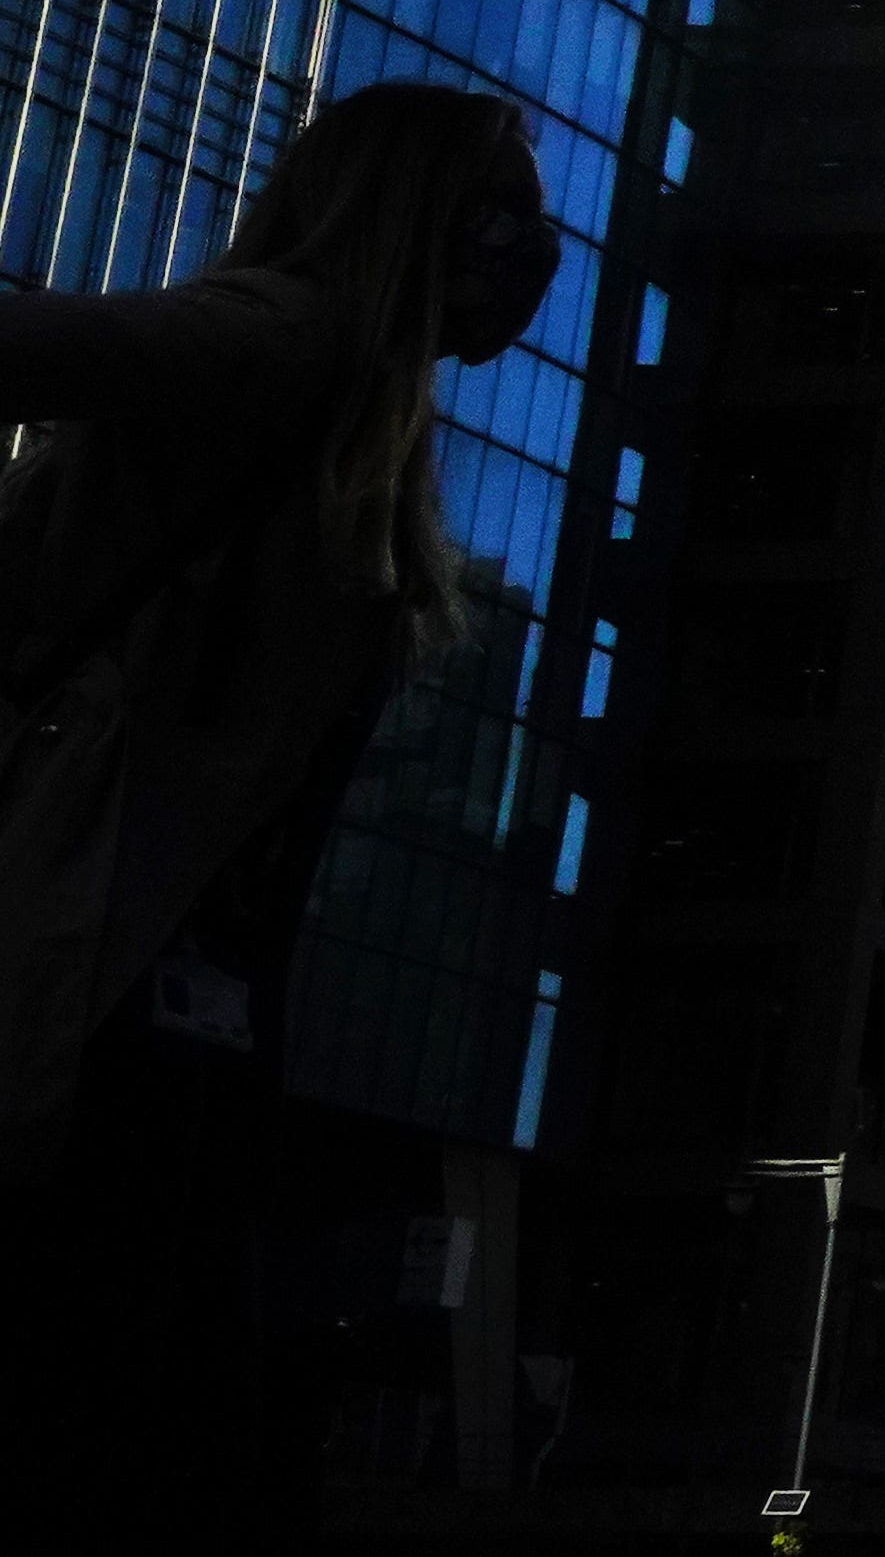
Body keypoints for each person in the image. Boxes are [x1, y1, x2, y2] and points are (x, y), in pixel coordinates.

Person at [0, 84, 564, 1530]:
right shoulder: (287, 339)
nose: (534, 251)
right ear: (410, 215)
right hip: (92, 973)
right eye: (503, 211)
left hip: (172, 1005)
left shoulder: (364, 419)